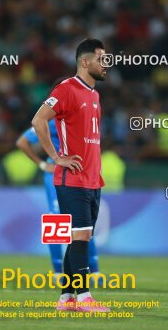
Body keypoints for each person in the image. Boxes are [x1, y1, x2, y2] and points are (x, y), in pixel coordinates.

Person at [31, 38, 110, 312]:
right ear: (86, 62)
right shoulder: (66, 89)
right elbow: (38, 120)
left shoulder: (95, 95)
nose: (106, 64)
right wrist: (55, 157)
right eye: (102, 58)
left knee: (80, 238)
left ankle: (66, 299)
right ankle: (85, 298)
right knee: (81, 238)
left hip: (92, 179)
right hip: (71, 179)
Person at [16, 119, 103, 282]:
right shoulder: (52, 122)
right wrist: (43, 164)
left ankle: (95, 271)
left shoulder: (82, 118)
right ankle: (58, 272)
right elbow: (22, 142)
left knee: (83, 221)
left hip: (78, 173)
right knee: (57, 220)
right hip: (57, 174)